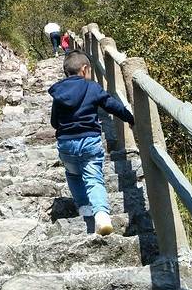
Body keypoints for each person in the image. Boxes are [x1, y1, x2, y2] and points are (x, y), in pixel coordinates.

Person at [48, 50, 134, 236]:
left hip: (66, 143)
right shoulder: (92, 87)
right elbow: (111, 105)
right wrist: (129, 117)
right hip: (89, 140)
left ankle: (85, 207)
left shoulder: (59, 93)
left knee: (73, 175)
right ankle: (101, 215)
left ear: (66, 72)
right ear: (85, 69)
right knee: (93, 178)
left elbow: (54, 122)